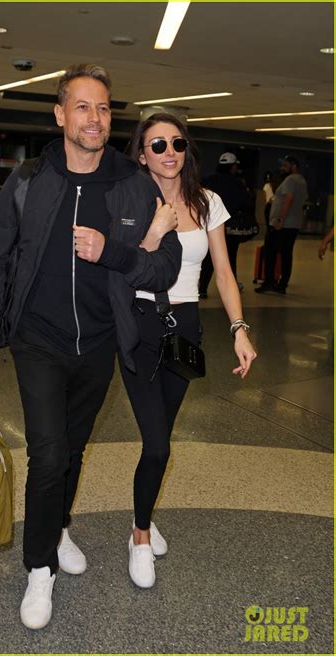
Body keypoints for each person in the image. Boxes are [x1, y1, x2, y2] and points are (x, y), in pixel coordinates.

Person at [0, 65, 181, 630]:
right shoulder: (30, 180)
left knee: (75, 450)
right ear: (60, 115)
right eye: (83, 107)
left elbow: (164, 269)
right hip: (38, 339)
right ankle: (40, 569)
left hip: (100, 343)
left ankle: (57, 529)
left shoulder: (134, 184)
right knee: (49, 455)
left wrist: (112, 251)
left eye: (104, 109)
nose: (95, 119)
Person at [122, 113, 257, 588]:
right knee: (157, 443)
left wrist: (239, 328)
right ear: (141, 154)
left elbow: (222, 273)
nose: (169, 152)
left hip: (186, 326)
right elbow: (122, 266)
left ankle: (144, 514)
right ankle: (139, 534)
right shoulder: (128, 199)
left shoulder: (208, 202)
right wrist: (156, 230)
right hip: (139, 326)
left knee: (162, 437)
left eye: (177, 143)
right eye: (157, 145)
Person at [198, 152, 255, 297]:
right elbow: (247, 203)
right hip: (230, 227)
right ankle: (231, 287)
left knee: (209, 259)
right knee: (230, 258)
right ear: (233, 166)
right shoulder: (237, 183)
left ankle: (202, 289)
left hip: (209, 224)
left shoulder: (208, 180)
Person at [255, 155, 308, 294]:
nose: (282, 168)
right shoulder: (302, 180)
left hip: (283, 224)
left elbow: (289, 199)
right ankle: (282, 285)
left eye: (285, 165)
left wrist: (280, 219)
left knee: (270, 252)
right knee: (286, 254)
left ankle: (269, 283)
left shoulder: (290, 179)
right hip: (294, 224)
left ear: (294, 165)